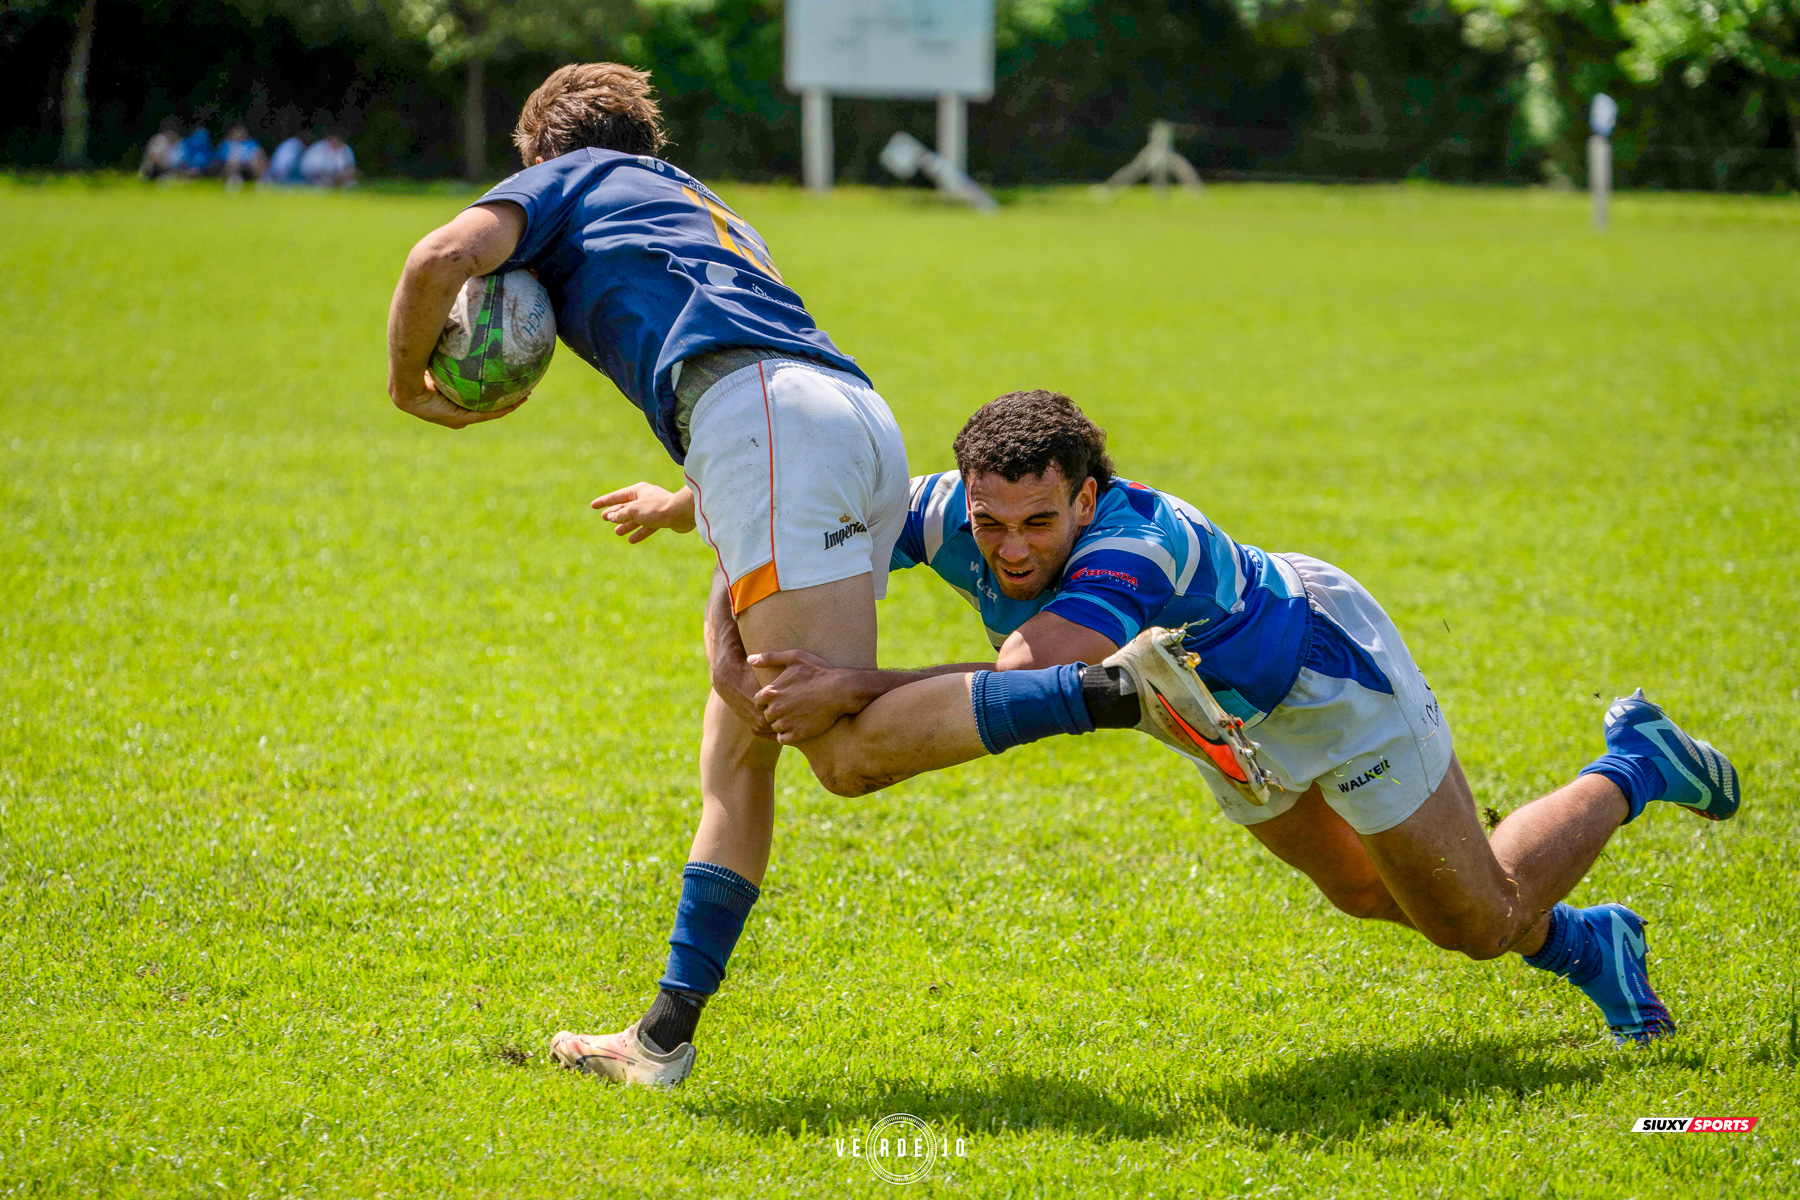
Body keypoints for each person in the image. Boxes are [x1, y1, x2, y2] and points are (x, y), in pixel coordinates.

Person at [386, 63, 1211, 1091]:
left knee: (840, 753)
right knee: (736, 748)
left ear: (545, 155)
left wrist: (407, 383)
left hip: (764, 432)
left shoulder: (568, 177)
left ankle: (1111, 691)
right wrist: (689, 498)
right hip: (840, 419)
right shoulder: (697, 202)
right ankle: (660, 1042)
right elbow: (743, 358)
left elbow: (439, 257)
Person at [597, 389, 1742, 1071]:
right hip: (1205, 716)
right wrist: (689, 504)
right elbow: (826, 509)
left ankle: (1633, 761)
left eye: (1039, 520)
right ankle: (1597, 945)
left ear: (1088, 496)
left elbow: (1021, 675)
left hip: (1324, 680)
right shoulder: (958, 512)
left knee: (1475, 919)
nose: (1008, 548)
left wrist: (852, 676)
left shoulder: (1129, 549)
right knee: (1357, 891)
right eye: (991, 520)